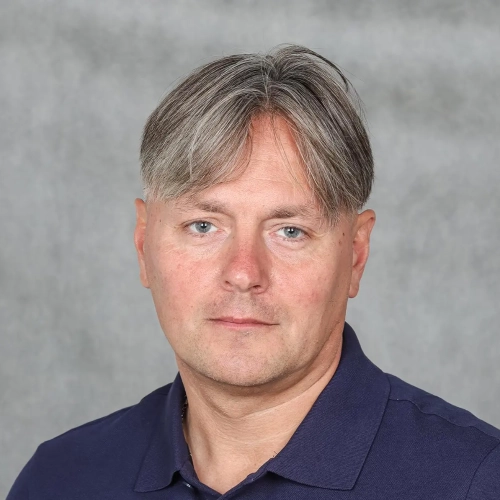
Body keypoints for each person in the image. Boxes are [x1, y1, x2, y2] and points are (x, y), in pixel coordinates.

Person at [8, 44, 500, 499]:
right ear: (143, 245)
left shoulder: (474, 481)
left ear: (356, 254)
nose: (243, 274)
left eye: (289, 231)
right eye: (203, 226)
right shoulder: (59, 480)